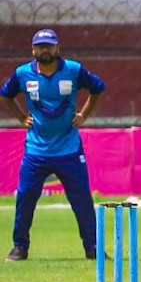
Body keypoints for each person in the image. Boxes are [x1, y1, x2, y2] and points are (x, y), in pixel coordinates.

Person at [1, 28, 106, 261]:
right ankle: (19, 247)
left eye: (49, 45)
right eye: (40, 46)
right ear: (33, 50)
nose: (45, 50)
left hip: (69, 149)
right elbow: (6, 94)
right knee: (25, 197)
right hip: (36, 151)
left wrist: (84, 115)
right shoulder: (23, 73)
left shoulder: (73, 70)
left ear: (58, 48)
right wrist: (21, 118)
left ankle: (93, 248)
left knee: (82, 199)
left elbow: (98, 88)